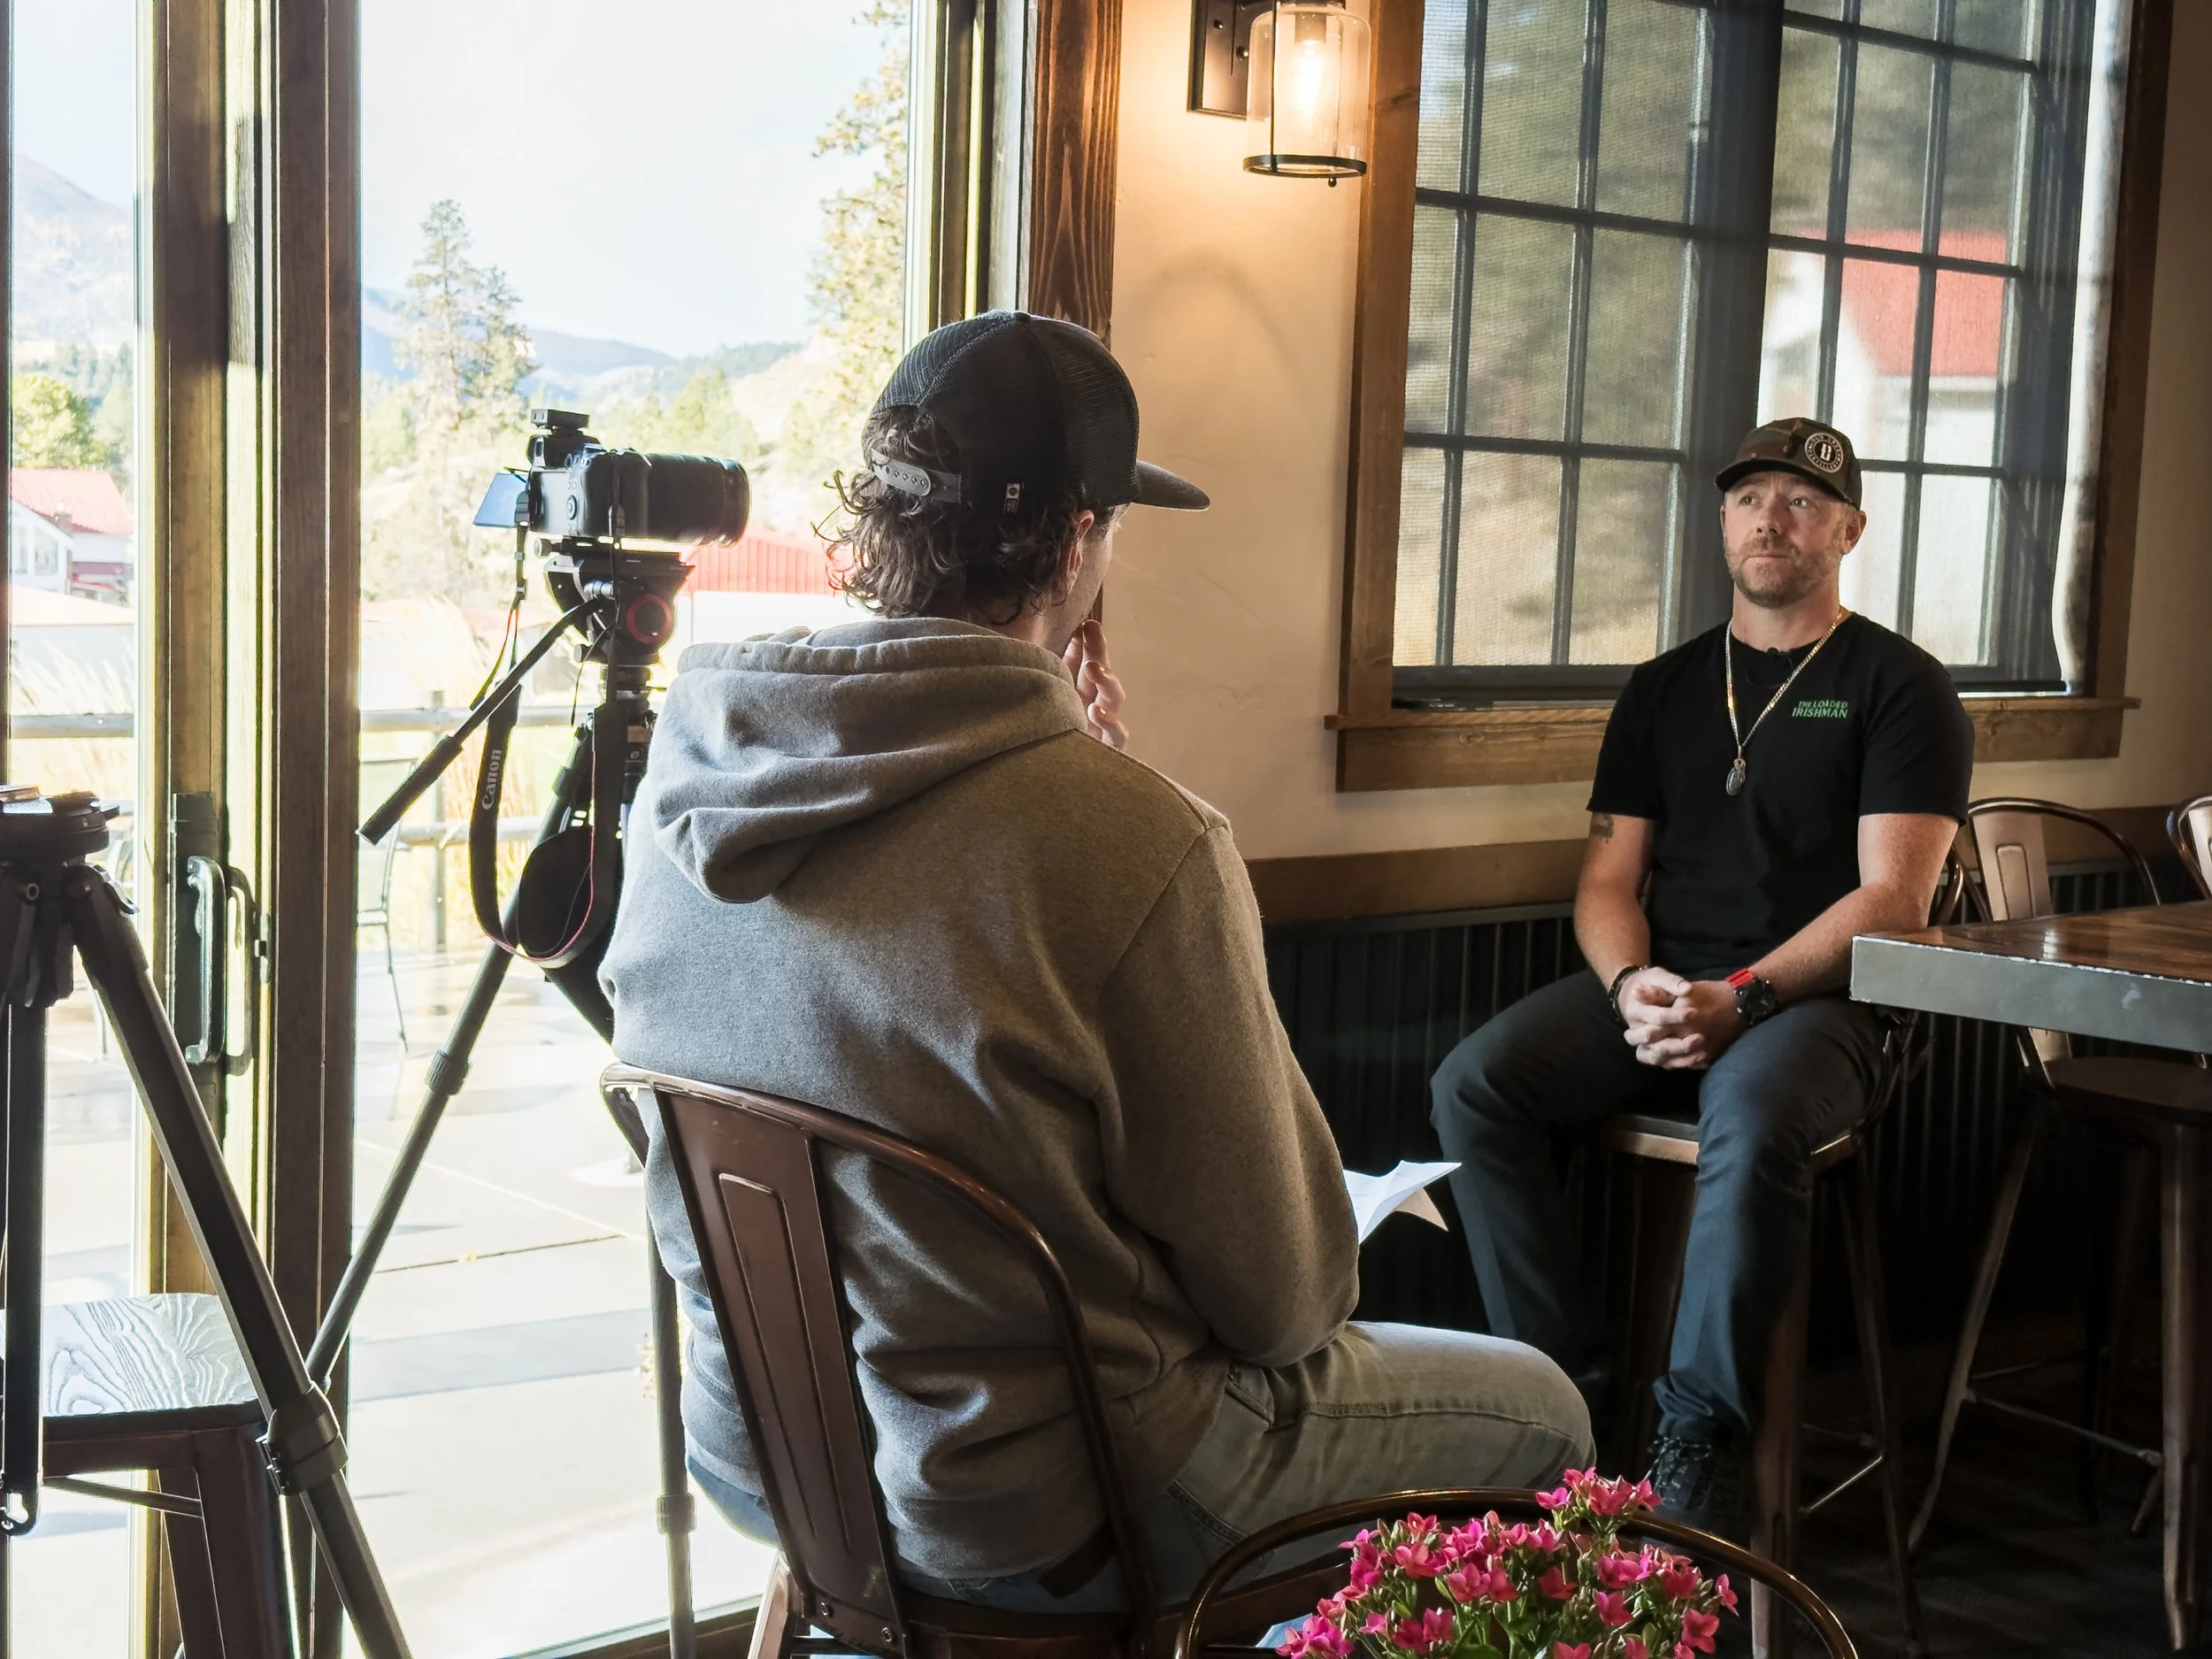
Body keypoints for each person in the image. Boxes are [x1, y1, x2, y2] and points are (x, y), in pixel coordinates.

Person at [602, 311, 1590, 1612]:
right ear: (1075, 540)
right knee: (1546, 1412)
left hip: (771, 1458)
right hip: (1043, 1501)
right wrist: (1119, 812)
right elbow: (1287, 1298)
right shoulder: (1129, 837)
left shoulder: (684, 787)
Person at [1429, 417, 1973, 1534]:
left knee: (1751, 1108)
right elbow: (1606, 878)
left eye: (1803, 502)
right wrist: (1630, 983)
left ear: (1848, 531)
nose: (1772, 520)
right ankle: (1563, 1398)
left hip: (1823, 1005)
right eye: (1750, 499)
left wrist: (1746, 997)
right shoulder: (1663, 687)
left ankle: (1697, 1438)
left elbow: (1894, 900)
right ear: (1722, 522)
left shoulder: (1899, 686)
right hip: (1671, 985)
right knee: (1476, 1085)